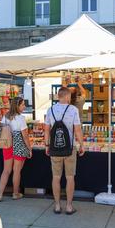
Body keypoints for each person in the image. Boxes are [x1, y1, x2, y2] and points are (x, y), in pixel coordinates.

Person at [45, 87, 84, 215]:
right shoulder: (73, 110)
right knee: (70, 177)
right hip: (69, 148)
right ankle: (68, 206)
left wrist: (47, 145)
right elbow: (77, 130)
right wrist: (81, 145)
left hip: (55, 149)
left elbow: (46, 130)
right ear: (67, 97)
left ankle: (57, 205)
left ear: (58, 96)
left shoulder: (50, 110)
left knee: (55, 177)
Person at [0, 97, 32, 202]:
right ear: (17, 106)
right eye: (23, 104)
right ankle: (15, 193)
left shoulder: (5, 116)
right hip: (19, 144)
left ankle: (0, 195)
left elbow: (0, 130)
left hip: (7, 144)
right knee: (17, 171)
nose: (24, 106)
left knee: (6, 171)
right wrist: (29, 148)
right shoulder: (21, 118)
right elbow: (25, 136)